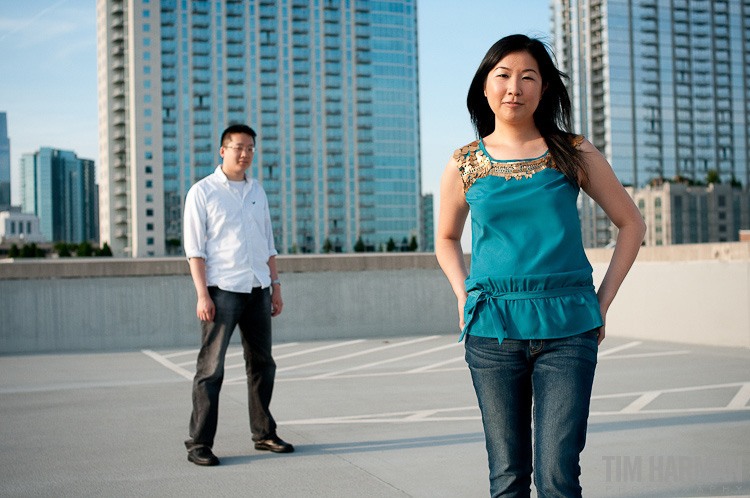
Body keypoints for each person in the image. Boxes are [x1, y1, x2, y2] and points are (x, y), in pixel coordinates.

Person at [436, 35, 646, 497]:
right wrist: (461, 292)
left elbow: (631, 224)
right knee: (507, 477)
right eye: (503, 76)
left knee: (557, 476)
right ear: (485, 88)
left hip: (569, 328)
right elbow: (447, 238)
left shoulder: (572, 151)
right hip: (492, 329)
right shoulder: (465, 162)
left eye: (528, 77)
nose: (515, 87)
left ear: (544, 88)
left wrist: (602, 303)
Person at [183, 124, 293, 466]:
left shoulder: (257, 190)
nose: (245, 154)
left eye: (250, 149)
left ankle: (263, 433)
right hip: (222, 291)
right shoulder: (202, 192)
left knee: (263, 365)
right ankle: (199, 443)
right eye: (238, 148)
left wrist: (275, 286)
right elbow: (195, 250)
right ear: (223, 151)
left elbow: (268, 242)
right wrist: (202, 295)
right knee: (211, 369)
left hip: (258, 288)